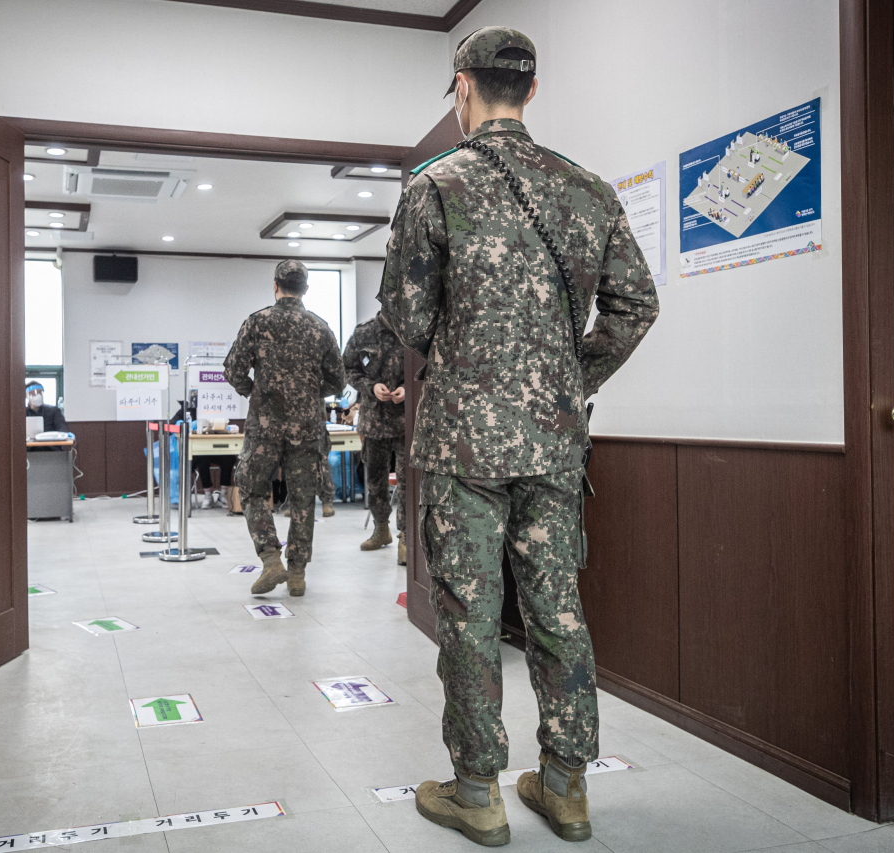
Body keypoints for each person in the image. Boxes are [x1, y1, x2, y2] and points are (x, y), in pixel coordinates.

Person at [380, 27, 659, 847]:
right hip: (555, 441)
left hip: (464, 441)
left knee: (468, 612)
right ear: (531, 91)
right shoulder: (588, 189)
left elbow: (405, 311)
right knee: (557, 606)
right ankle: (567, 784)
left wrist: (467, 355)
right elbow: (636, 306)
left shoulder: (436, 184)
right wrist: (569, 381)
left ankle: (478, 791)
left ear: (462, 87)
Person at [225, 260, 345, 597]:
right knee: (304, 499)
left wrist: (258, 393)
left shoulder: (257, 322)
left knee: (251, 486)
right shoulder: (320, 327)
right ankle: (296, 575)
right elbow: (337, 380)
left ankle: (270, 557)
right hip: (307, 427)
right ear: (305, 289)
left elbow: (233, 371)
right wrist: (306, 394)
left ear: (275, 286)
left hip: (264, 426)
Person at [343, 313, 407, 563]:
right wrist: (370, 387)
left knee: (406, 482)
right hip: (374, 418)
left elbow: (429, 369)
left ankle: (405, 537)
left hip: (406, 421)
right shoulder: (364, 333)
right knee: (375, 479)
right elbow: (348, 368)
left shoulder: (412, 329)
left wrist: (408, 389)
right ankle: (381, 529)